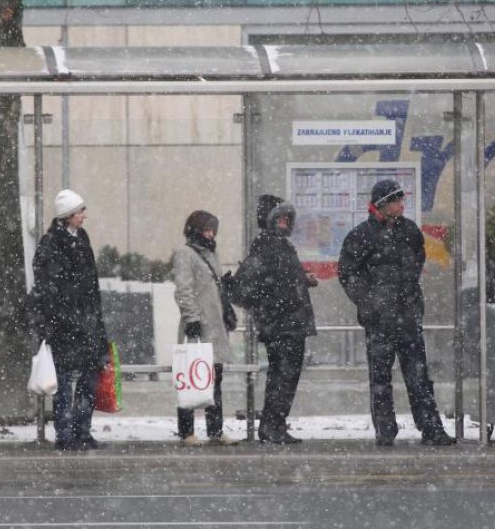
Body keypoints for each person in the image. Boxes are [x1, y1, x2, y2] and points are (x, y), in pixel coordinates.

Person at [337, 179, 456, 446]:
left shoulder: (409, 231)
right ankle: (385, 431)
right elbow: (347, 273)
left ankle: (431, 429)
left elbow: (417, 262)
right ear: (382, 204)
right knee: (380, 377)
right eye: (396, 200)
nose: (402, 205)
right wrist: (370, 303)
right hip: (379, 321)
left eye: (402, 200)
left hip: (408, 317)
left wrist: (407, 299)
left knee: (419, 376)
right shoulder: (361, 236)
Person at [28, 189, 109, 451]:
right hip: (65, 325)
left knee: (87, 378)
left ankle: (81, 429)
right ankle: (65, 432)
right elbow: (49, 287)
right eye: (80, 211)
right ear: (68, 215)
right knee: (63, 382)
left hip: (83, 323)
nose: (84, 215)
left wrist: (93, 319)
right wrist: (65, 315)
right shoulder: (51, 243)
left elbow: (89, 285)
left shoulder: (80, 239)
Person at [233, 195, 317, 444]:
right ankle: (272, 426)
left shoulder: (282, 246)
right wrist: (272, 304)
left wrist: (303, 280)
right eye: (279, 218)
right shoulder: (267, 246)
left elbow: (282, 280)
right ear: (268, 220)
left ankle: (275, 424)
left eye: (286, 218)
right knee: (282, 376)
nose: (284, 222)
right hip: (282, 325)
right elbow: (247, 286)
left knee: (285, 377)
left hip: (290, 323)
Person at [172, 210, 238, 447]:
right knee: (191, 377)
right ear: (195, 230)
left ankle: (216, 430)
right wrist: (192, 319)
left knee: (215, 379)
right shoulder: (185, 254)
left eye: (213, 230)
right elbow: (183, 289)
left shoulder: (211, 253)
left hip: (215, 324)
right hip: (198, 325)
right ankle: (187, 431)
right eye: (206, 230)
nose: (210, 234)